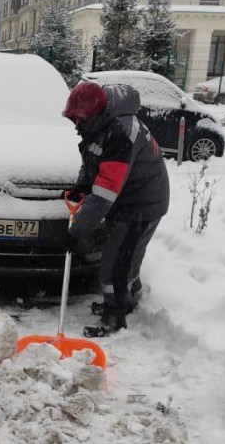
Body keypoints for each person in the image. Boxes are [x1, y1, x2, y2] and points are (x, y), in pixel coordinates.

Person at [62, 80, 170, 338]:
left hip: (142, 204)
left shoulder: (119, 133)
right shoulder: (101, 125)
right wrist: (81, 186)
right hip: (134, 199)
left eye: (79, 120)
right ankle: (126, 301)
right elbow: (93, 162)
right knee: (127, 258)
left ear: (94, 114)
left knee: (115, 264)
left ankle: (115, 317)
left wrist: (78, 231)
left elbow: (105, 192)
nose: (76, 126)